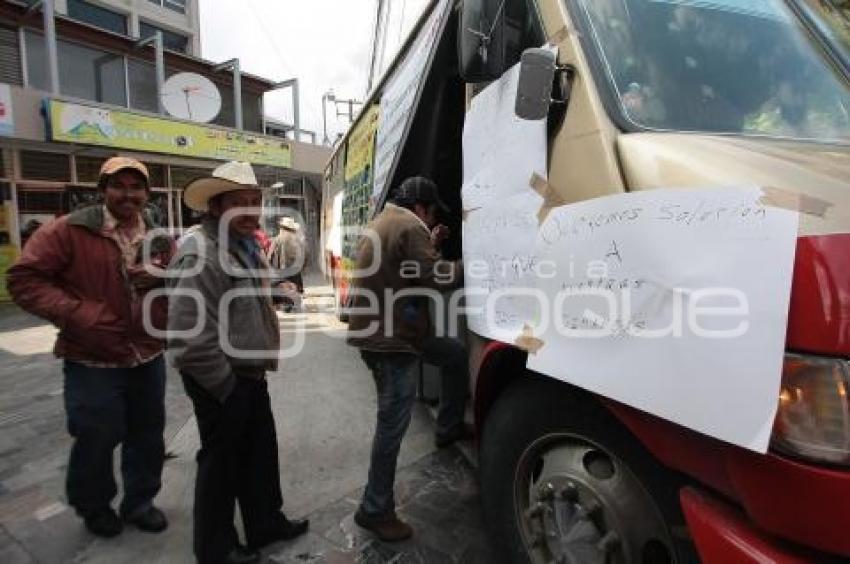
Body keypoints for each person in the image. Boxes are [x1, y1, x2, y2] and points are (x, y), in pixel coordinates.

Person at [7, 156, 172, 538]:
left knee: (148, 434)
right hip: (91, 358)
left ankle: (140, 502)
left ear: (146, 194)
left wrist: (163, 276)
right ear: (102, 191)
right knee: (97, 434)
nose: (128, 194)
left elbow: (180, 280)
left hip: (147, 353)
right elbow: (23, 279)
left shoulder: (159, 235)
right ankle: (94, 506)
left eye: (136, 187)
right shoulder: (68, 230)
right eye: (119, 186)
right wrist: (78, 313)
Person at [166, 161, 308, 564]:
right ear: (215, 207)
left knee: (259, 451)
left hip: (246, 373)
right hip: (219, 377)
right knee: (222, 463)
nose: (249, 210)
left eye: (254, 201)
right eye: (238, 203)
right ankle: (216, 548)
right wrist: (226, 387)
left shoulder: (242, 246)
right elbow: (188, 338)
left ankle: (264, 523)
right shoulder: (202, 250)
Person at [346, 176, 471, 542]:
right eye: (432, 215)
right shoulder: (410, 225)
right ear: (422, 207)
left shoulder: (385, 221)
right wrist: (475, 260)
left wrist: (429, 244)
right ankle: (374, 508)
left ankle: (447, 426)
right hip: (393, 340)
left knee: (454, 356)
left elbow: (407, 267)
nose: (431, 222)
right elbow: (437, 276)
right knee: (391, 426)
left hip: (388, 332)